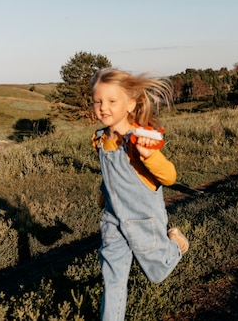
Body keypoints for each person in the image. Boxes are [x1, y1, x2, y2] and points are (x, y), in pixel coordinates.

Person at [91, 68, 189, 321]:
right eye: (98, 101)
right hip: (113, 220)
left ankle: (176, 244)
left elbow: (169, 177)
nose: (103, 107)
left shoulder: (138, 139)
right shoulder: (101, 139)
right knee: (112, 279)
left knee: (156, 273)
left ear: (130, 104)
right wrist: (104, 198)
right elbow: (110, 177)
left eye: (112, 101)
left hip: (143, 219)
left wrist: (150, 156)